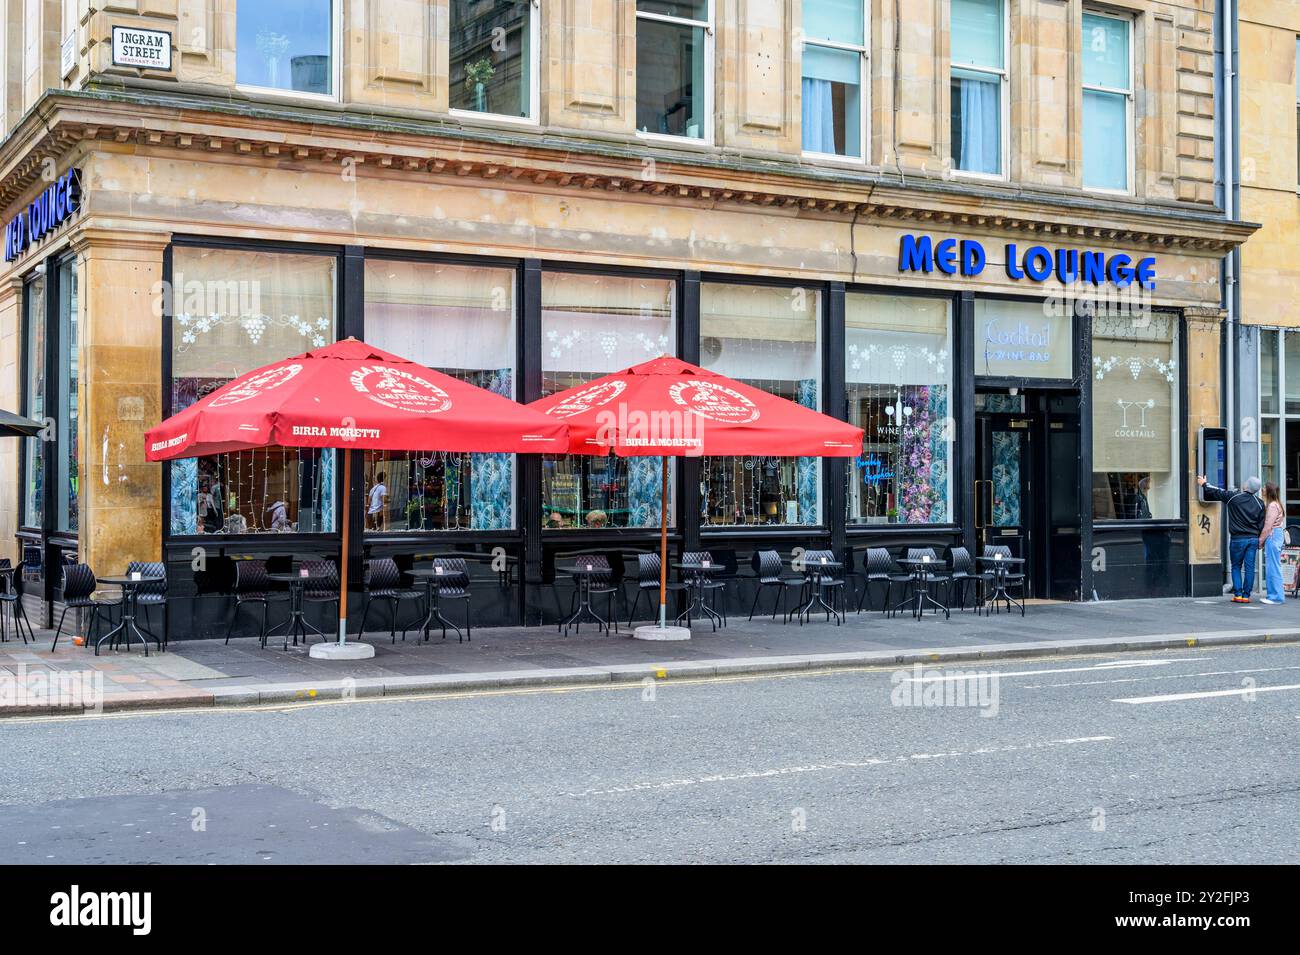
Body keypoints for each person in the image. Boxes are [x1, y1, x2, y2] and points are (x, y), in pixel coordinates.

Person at [1197, 474, 1265, 603]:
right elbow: (1261, 524)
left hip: (1238, 539)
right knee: (1250, 567)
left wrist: (1204, 484)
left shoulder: (1234, 497)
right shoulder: (1260, 503)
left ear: (1246, 486)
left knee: (1236, 566)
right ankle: (1246, 596)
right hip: (1253, 539)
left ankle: (1238, 594)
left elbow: (1216, 492)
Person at [1259, 482, 1286, 605]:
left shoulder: (1272, 506)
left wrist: (1260, 541)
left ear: (1269, 491)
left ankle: (1275, 597)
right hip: (1276, 535)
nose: (1262, 489)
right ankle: (1275, 595)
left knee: (1273, 566)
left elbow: (1268, 526)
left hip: (1273, 535)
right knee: (1274, 566)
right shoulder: (1276, 504)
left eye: (1264, 487)